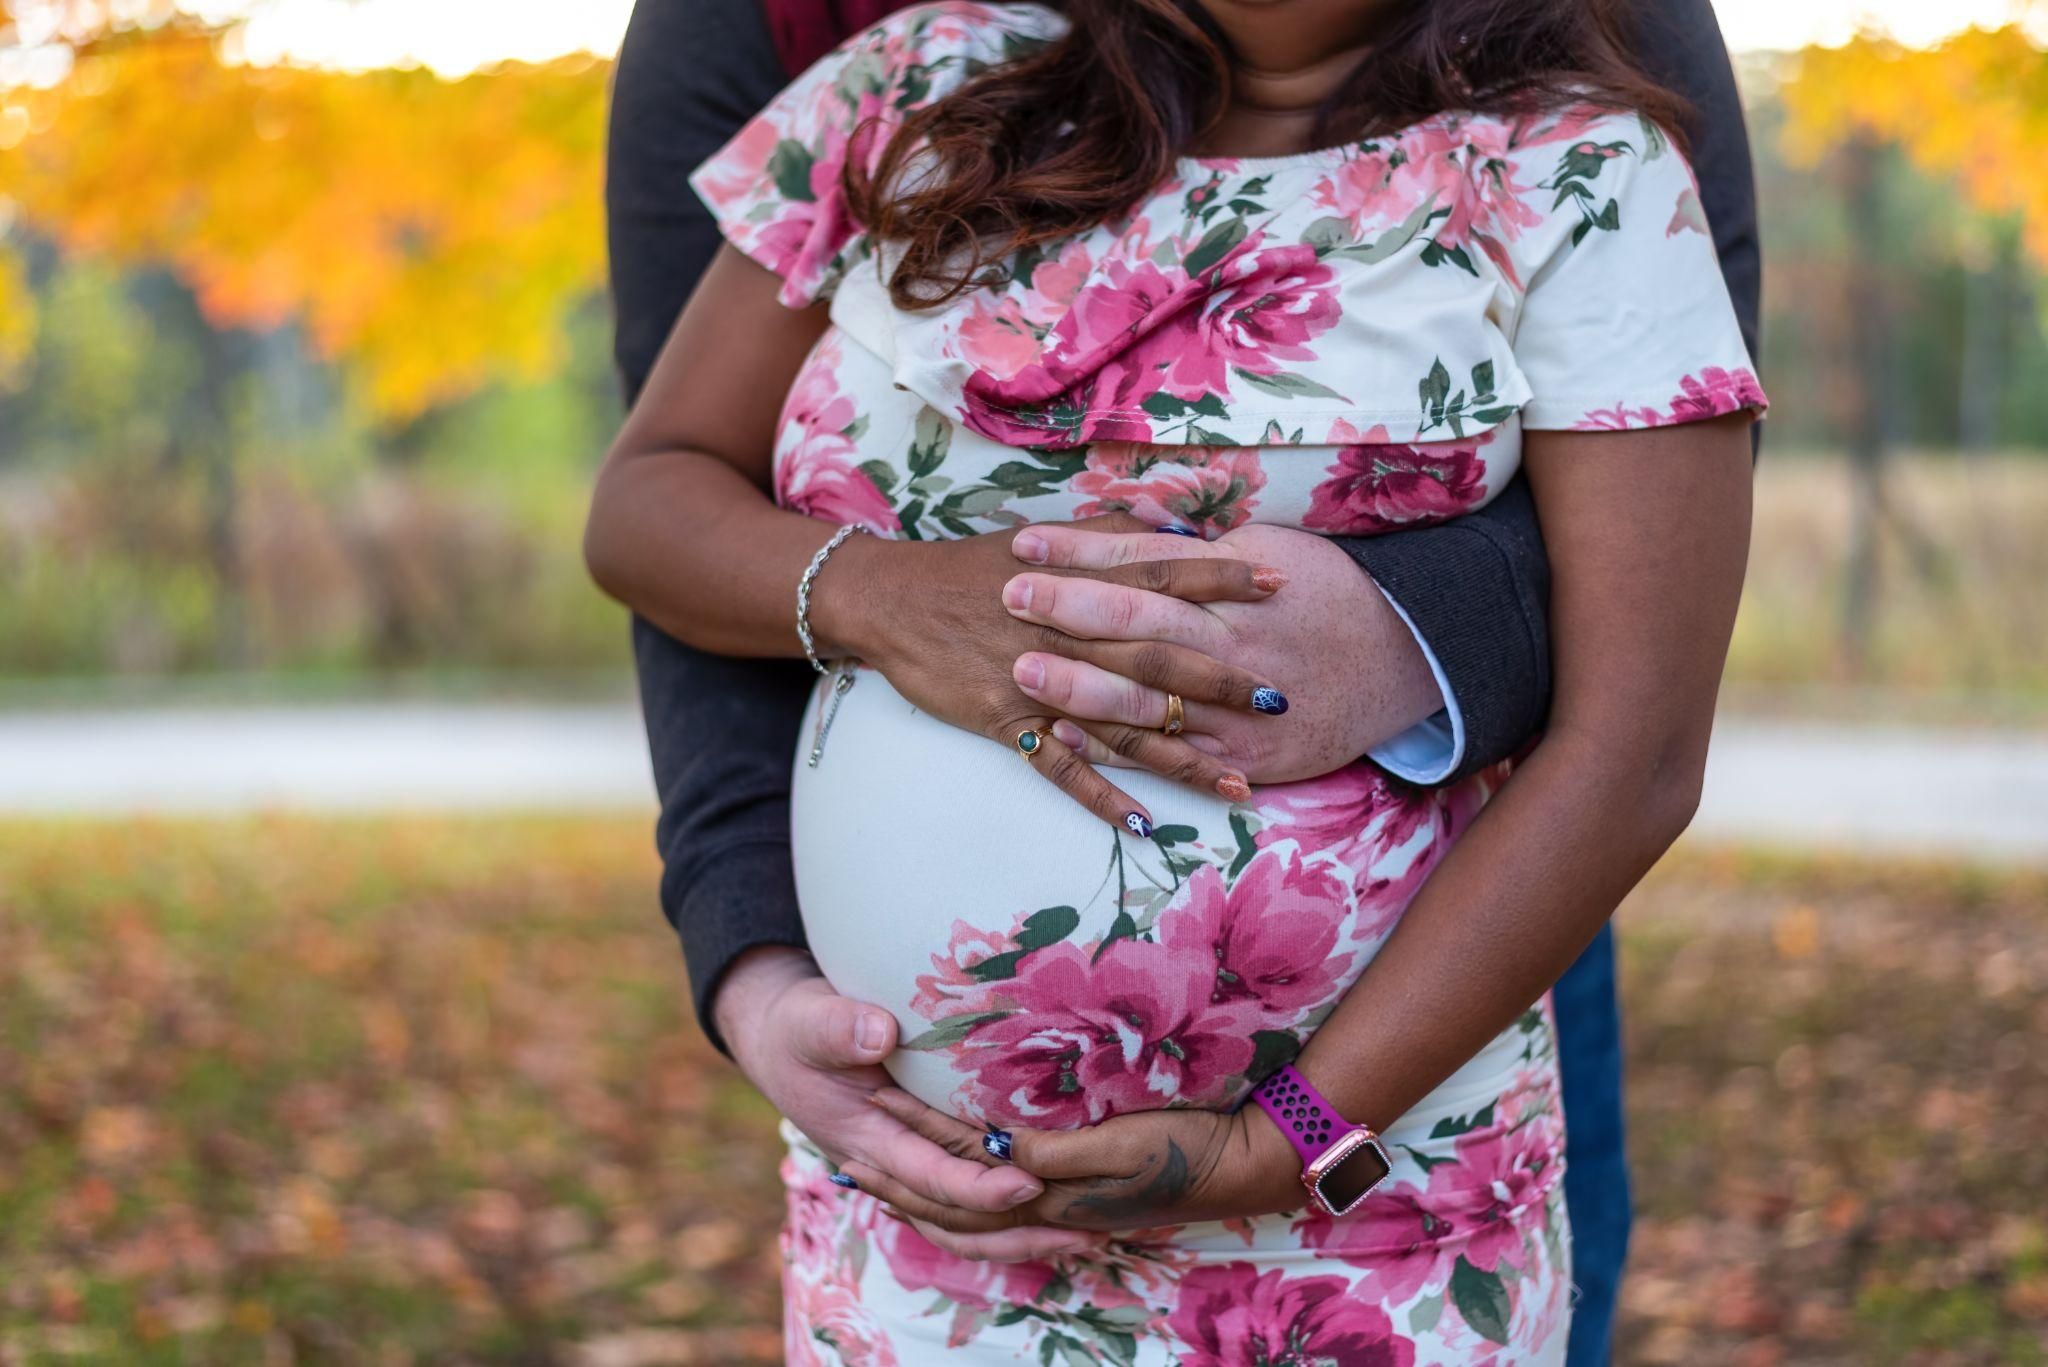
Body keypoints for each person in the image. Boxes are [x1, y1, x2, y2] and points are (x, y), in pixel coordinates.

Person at [593, 0, 1764, 1359]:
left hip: (1367, 1212)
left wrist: (1290, 1141)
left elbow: (1635, 755)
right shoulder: (912, 87)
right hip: (924, 1214)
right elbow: (647, 501)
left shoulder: (1584, 171)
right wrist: (877, 594)